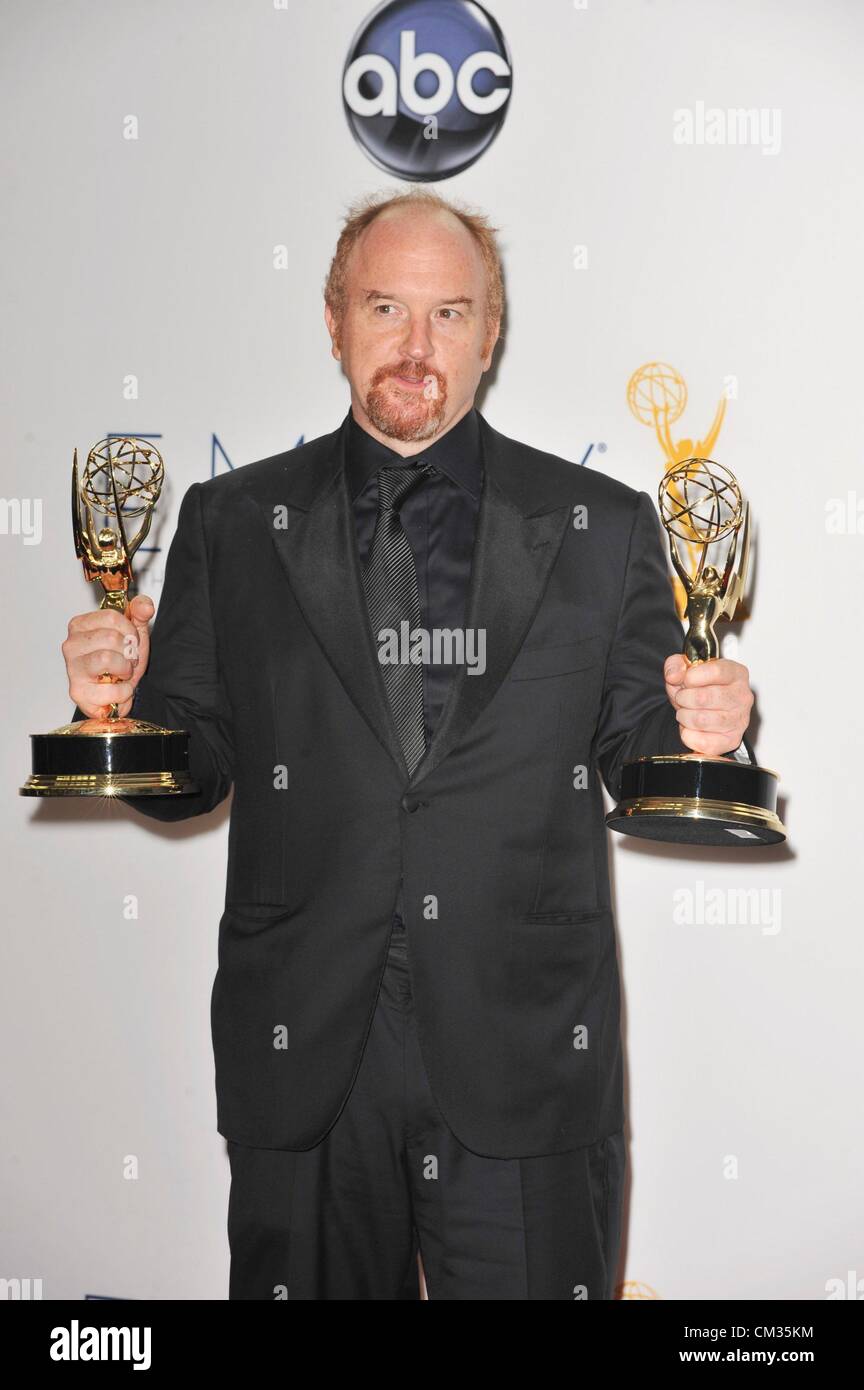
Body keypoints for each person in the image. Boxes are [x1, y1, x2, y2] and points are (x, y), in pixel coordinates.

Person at [63, 188, 755, 1300]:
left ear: (491, 334)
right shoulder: (231, 524)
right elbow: (190, 774)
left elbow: (638, 763)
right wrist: (117, 717)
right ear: (333, 319)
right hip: (307, 1058)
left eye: (450, 313)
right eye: (387, 308)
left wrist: (705, 725)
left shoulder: (605, 525)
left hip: (525, 1055)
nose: (416, 347)